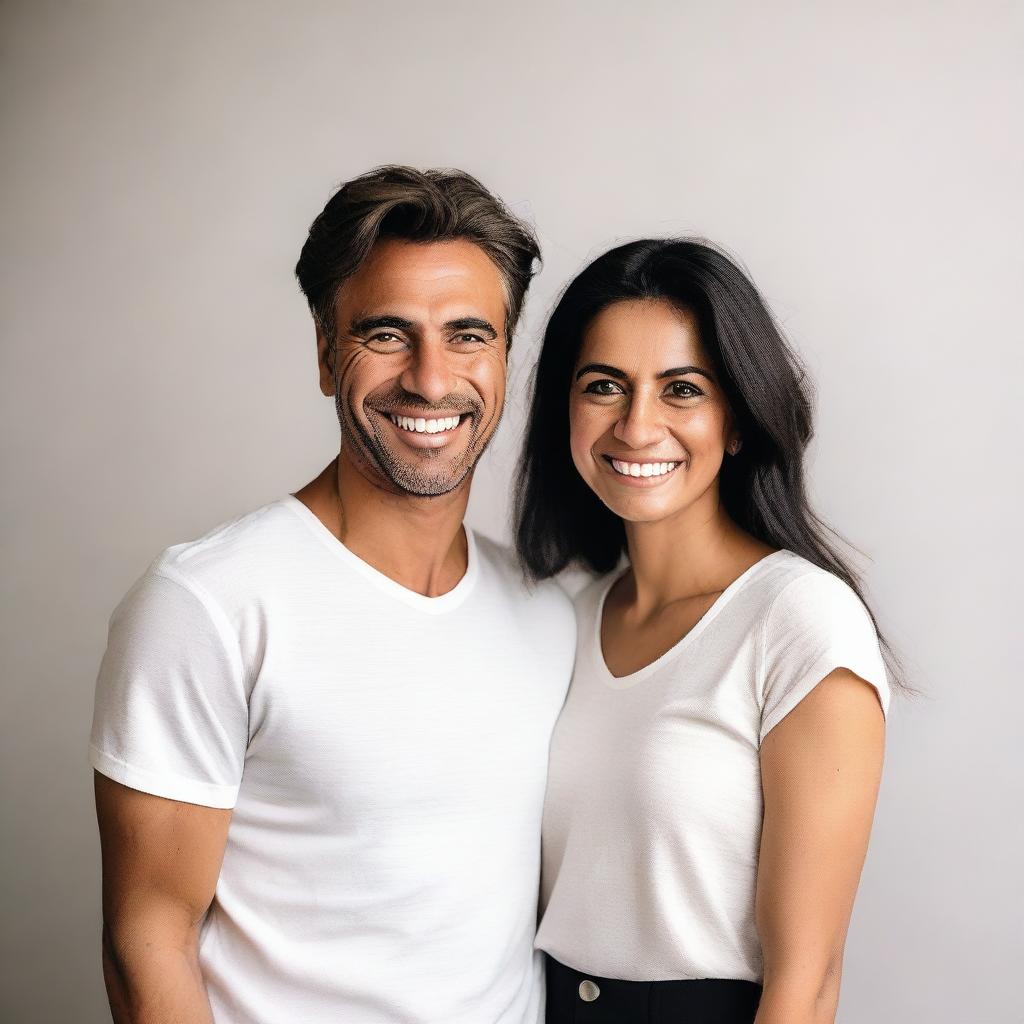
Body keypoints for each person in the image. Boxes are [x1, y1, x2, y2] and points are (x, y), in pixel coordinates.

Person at [89, 165, 576, 1024]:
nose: (430, 380)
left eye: (468, 335)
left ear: (504, 358)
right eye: (387, 334)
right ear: (324, 353)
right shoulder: (207, 606)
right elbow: (147, 942)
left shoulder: (545, 615)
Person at [516, 238, 899, 1024]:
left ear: (737, 420)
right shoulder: (567, 616)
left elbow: (809, 980)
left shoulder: (799, 622)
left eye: (682, 388)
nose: (637, 424)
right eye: (604, 386)